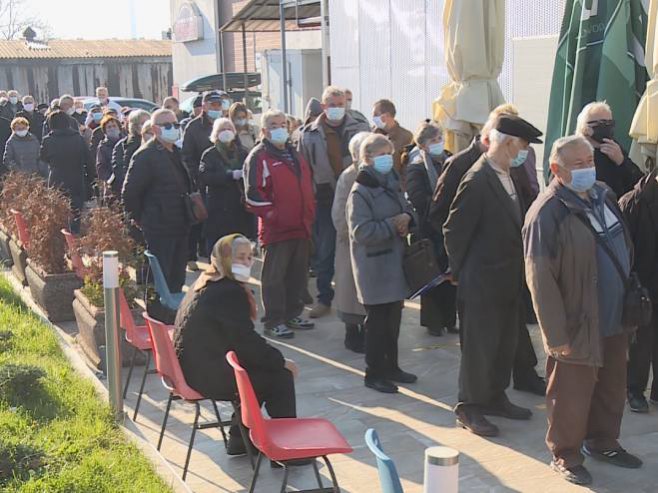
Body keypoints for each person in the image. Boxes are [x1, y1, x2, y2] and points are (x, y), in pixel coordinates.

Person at [524, 135, 642, 486]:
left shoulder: (604, 194)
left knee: (611, 385)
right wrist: (555, 335)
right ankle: (565, 453)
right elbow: (539, 279)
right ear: (556, 170)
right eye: (578, 165)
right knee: (570, 394)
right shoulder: (546, 212)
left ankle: (603, 441)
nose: (587, 169)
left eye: (589, 161)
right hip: (576, 321)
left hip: (614, 315)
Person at [430, 103, 546, 396]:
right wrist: (461, 272)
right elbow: (453, 230)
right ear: (507, 143)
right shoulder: (477, 179)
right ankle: (470, 406)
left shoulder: (505, 174)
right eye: (522, 145)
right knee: (479, 351)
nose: (524, 152)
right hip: (481, 281)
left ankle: (495, 399)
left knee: (503, 344)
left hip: (505, 279)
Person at [174, 234, 298, 455]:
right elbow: (245, 342)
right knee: (279, 377)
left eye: (249, 257)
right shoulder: (226, 291)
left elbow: (240, 340)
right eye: (240, 257)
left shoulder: (208, 280)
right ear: (225, 258)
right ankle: (287, 451)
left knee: (258, 369)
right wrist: (281, 361)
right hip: (205, 373)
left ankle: (240, 440)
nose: (247, 262)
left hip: (194, 366)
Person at [347, 133, 417, 394]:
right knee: (377, 325)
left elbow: (407, 208)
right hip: (373, 267)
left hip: (394, 263)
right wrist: (393, 224)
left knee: (394, 321)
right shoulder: (360, 190)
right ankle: (373, 372)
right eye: (382, 154)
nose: (388, 158)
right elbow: (361, 232)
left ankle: (392, 367)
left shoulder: (391, 181)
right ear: (367, 158)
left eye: (390, 152)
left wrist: (407, 217)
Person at [298, 86, 370, 319]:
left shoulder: (360, 127)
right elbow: (303, 169)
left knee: (360, 246)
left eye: (341, 105)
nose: (337, 109)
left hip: (357, 193)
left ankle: (361, 295)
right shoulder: (309, 133)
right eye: (332, 105)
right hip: (325, 197)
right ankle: (324, 297)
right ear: (324, 105)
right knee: (326, 249)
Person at [244, 109, 316, 339]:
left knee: (297, 275)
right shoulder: (259, 157)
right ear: (264, 130)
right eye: (274, 125)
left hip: (301, 225)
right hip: (276, 229)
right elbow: (252, 195)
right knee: (275, 278)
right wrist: (275, 214)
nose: (280, 128)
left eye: (283, 124)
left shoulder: (294, 153)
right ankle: (274, 320)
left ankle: (293, 313)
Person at [123, 109, 193, 293]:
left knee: (177, 278)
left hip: (181, 223)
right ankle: (157, 317)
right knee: (159, 278)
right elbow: (130, 193)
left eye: (176, 125)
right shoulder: (145, 155)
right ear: (154, 129)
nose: (173, 129)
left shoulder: (177, 152)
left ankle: (173, 317)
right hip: (159, 226)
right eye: (167, 125)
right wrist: (143, 219)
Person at [405, 121, 456, 337]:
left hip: (449, 226)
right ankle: (433, 321)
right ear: (423, 145)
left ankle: (449, 319)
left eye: (439, 138)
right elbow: (418, 198)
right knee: (433, 277)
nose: (438, 143)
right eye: (433, 140)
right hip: (429, 229)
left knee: (450, 277)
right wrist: (440, 206)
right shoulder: (416, 166)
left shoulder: (449, 160)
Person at [619, 170, 658, 413]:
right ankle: (634, 390)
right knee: (640, 343)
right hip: (642, 285)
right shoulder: (633, 202)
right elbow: (622, 249)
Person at [332, 131, 371, 353]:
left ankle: (367, 331)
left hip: (371, 241)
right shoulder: (349, 176)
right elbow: (339, 211)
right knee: (350, 288)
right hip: (351, 242)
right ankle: (352, 332)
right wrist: (350, 233)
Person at [182, 90, 224, 268]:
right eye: (213, 105)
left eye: (219, 105)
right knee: (200, 223)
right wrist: (196, 178)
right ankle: (193, 257)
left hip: (222, 183)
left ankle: (220, 263)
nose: (216, 108)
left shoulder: (224, 124)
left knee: (220, 226)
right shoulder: (193, 127)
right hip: (201, 182)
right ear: (205, 106)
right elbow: (187, 155)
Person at [199, 118, 253, 249]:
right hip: (218, 206)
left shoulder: (242, 152)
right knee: (217, 245)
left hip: (238, 207)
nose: (226, 132)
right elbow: (205, 177)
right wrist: (229, 175)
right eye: (222, 129)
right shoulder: (209, 154)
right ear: (216, 133)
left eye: (229, 129)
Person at [575, 101, 642, 198]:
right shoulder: (573, 150)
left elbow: (638, 182)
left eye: (610, 123)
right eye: (601, 123)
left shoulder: (614, 146)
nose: (606, 127)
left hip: (618, 207)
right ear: (585, 128)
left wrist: (621, 161)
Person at [39, 110, 91, 233]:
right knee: (76, 211)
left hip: (56, 179)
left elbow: (43, 158)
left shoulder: (48, 140)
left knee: (59, 210)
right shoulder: (78, 138)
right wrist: (90, 178)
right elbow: (88, 160)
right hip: (77, 179)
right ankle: (75, 234)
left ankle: (61, 237)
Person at [111, 109, 150, 196]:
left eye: (149, 122)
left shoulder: (156, 143)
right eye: (143, 123)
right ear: (134, 126)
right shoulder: (122, 146)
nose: (147, 125)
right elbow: (120, 171)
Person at [371, 99, 413, 178]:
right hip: (374, 184)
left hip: (396, 185)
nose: (373, 118)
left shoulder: (406, 136)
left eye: (376, 115)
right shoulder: (371, 136)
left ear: (386, 115)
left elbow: (407, 165)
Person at [95, 115, 122, 199]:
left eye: (114, 126)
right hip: (112, 183)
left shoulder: (125, 143)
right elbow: (100, 166)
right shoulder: (103, 146)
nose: (112, 129)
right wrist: (109, 181)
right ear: (105, 131)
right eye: (109, 127)